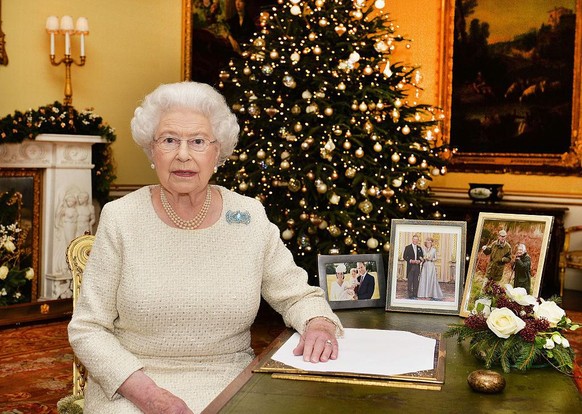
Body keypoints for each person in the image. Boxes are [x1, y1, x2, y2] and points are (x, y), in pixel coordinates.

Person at [67, 82, 343, 413]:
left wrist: (318, 324)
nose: (183, 154)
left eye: (198, 141)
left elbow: (298, 296)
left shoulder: (248, 217)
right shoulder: (121, 217)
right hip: (132, 388)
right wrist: (152, 397)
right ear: (152, 150)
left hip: (230, 381)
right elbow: (88, 328)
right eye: (169, 140)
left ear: (218, 151)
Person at [402, 234, 424, 299]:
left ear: (418, 240)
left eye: (417, 240)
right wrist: (411, 261)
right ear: (412, 240)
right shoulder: (407, 247)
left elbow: (421, 256)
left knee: (416, 281)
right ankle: (410, 294)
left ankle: (415, 294)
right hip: (410, 267)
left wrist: (419, 261)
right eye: (414, 239)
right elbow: (405, 257)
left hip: (417, 266)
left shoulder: (419, 248)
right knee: (410, 281)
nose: (415, 241)